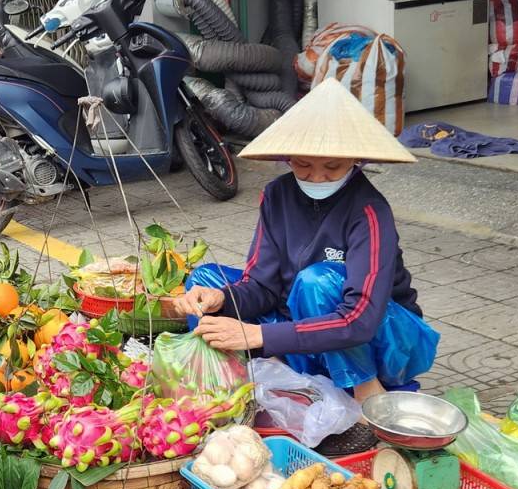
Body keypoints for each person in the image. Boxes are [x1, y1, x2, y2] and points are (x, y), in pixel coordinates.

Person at [175, 78, 439, 410]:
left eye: (332, 166)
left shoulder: (370, 211)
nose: (316, 176)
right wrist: (223, 299)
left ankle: (365, 392)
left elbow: (359, 320)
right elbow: (262, 285)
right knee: (205, 281)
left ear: (355, 160)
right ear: (287, 158)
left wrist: (258, 336)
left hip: (385, 338)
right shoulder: (277, 196)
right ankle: (236, 375)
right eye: (302, 164)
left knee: (316, 282)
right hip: (302, 321)